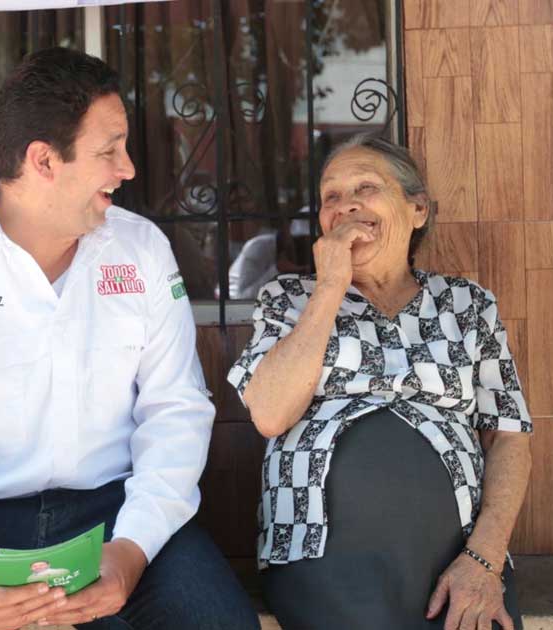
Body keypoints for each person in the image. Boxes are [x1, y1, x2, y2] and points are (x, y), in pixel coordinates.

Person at [0, 47, 258, 630]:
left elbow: (175, 412)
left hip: (116, 515)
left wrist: (130, 555)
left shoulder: (142, 250)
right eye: (109, 152)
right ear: (44, 161)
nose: (128, 169)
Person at [226, 134, 533, 630]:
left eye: (366, 187)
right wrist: (329, 285)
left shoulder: (467, 305)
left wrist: (484, 558)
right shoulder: (288, 300)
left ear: (417, 210)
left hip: (458, 560)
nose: (346, 206)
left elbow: (510, 435)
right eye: (331, 196)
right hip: (320, 555)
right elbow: (269, 413)